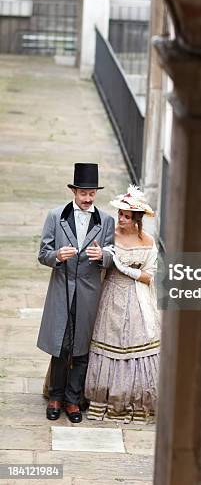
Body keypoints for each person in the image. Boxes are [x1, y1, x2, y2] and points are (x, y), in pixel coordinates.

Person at [37, 163, 115, 423]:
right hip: (62, 289)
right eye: (83, 193)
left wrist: (101, 255)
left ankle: (73, 400)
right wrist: (57, 256)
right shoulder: (55, 215)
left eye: (92, 193)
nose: (87, 198)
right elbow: (43, 254)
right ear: (73, 190)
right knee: (61, 344)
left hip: (89, 292)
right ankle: (56, 396)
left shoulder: (105, 220)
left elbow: (112, 254)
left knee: (82, 347)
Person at [85, 184, 160, 423]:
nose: (121, 219)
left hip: (136, 297)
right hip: (110, 295)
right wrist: (108, 260)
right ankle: (102, 397)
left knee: (138, 343)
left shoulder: (148, 241)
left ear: (137, 220)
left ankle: (136, 401)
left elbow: (150, 276)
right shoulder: (110, 234)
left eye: (127, 216)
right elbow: (101, 258)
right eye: (120, 214)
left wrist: (127, 269)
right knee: (108, 338)